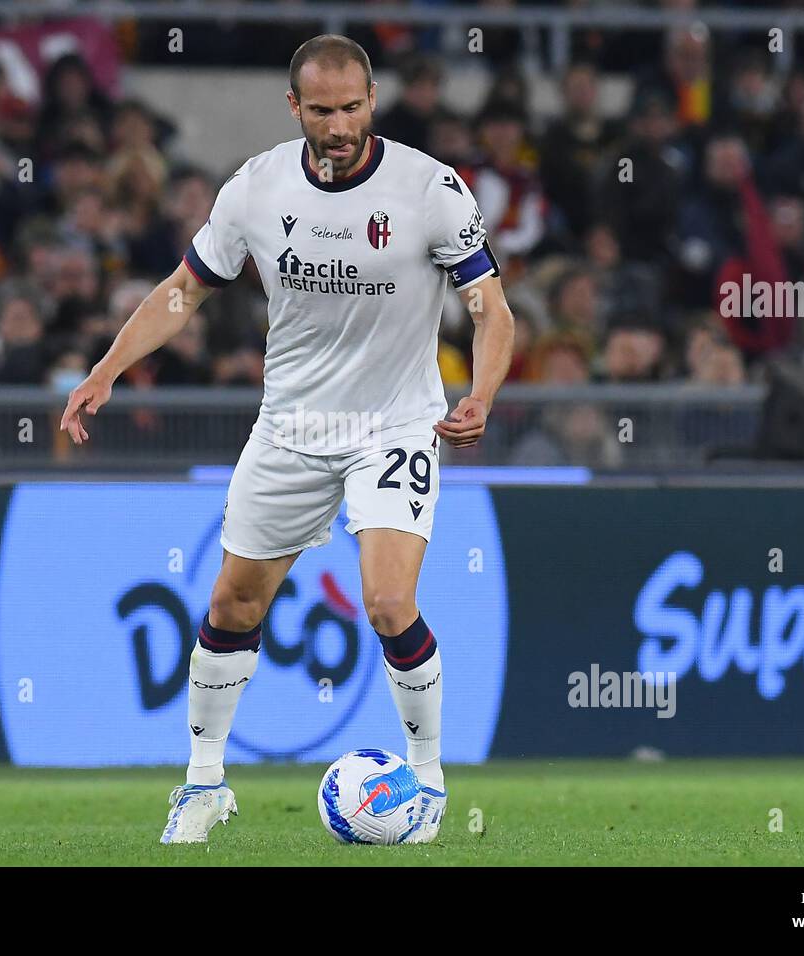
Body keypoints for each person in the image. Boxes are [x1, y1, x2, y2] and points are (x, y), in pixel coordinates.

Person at [59, 35, 514, 846]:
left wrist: (479, 394)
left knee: (386, 600)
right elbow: (182, 292)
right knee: (232, 603)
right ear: (294, 106)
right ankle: (203, 786)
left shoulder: (430, 190)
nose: (339, 126)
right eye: (322, 110)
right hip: (293, 426)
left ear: (373, 101)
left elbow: (490, 308)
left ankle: (429, 777)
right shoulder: (257, 189)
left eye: (353, 108)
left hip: (394, 423)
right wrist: (107, 369)